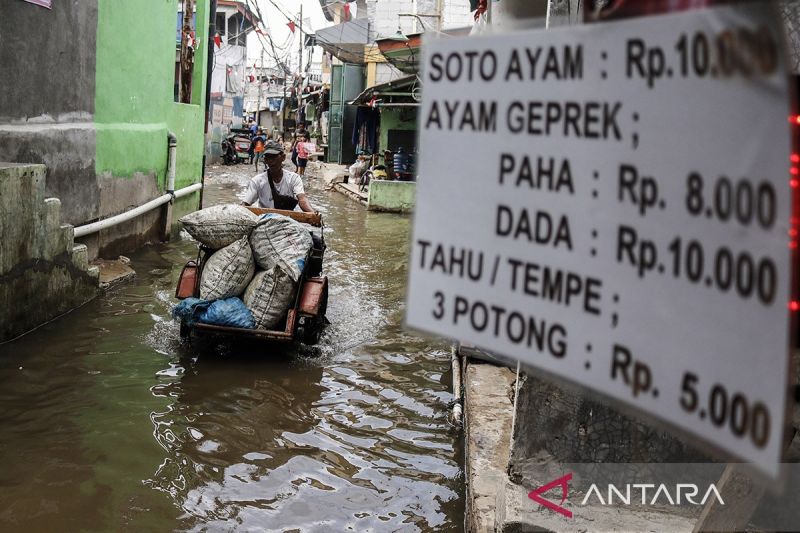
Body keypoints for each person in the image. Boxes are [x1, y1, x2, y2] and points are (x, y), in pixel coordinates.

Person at [241, 140, 315, 213]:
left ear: (283, 157)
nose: (271, 160)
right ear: (265, 160)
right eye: (268, 157)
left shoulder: (293, 178)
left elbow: (302, 199)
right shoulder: (257, 181)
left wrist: (313, 214)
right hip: (265, 220)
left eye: (274, 157)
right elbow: (245, 204)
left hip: (287, 221)